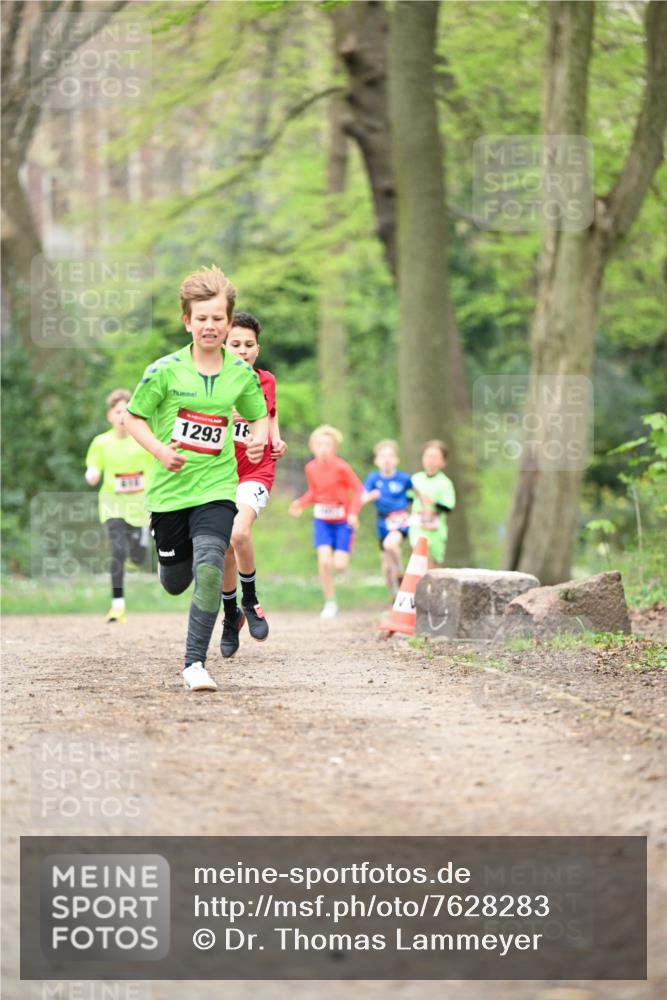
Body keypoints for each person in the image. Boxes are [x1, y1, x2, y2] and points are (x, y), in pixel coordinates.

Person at [124, 266, 268, 692]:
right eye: (201, 318)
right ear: (187, 321)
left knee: (210, 566)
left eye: (218, 318)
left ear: (229, 321)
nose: (210, 326)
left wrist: (258, 441)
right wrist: (160, 451)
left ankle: (194, 664)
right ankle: (169, 559)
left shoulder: (240, 375)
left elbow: (259, 416)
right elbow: (133, 419)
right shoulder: (164, 371)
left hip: (217, 488)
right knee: (175, 582)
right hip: (170, 495)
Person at [219, 311, 288, 658]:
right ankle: (230, 616)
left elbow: (270, 415)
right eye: (235, 344)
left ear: (256, 349)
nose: (242, 350)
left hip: (255, 471)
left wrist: (276, 439)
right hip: (218, 475)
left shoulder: (266, 381)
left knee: (239, 534)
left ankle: (251, 600)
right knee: (225, 549)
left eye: (248, 345)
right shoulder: (212, 382)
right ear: (223, 345)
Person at [84, 388, 152, 623]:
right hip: (112, 504)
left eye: (126, 411)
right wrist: (92, 474)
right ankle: (117, 605)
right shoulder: (101, 442)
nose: (122, 416)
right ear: (110, 416)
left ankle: (143, 536)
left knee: (139, 557)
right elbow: (93, 465)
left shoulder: (143, 438)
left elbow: (158, 464)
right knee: (117, 551)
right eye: (117, 411)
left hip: (140, 506)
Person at [288, 425, 363, 619]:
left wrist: (353, 513)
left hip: (342, 521)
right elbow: (314, 492)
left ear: (335, 448)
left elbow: (359, 491)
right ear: (312, 447)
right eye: (319, 444)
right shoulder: (310, 468)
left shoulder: (342, 467)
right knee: (324, 561)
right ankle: (330, 601)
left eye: (328, 444)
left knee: (340, 565)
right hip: (322, 520)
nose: (323, 448)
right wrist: (300, 504)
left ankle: (344, 554)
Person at [361, 439, 413, 597]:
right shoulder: (373, 479)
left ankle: (400, 571)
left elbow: (416, 496)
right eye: (383, 456)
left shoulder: (404, 479)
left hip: (400, 520)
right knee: (385, 566)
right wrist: (371, 496)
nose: (387, 460)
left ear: (397, 459)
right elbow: (362, 498)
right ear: (377, 460)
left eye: (390, 456)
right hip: (382, 522)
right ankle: (393, 596)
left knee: (390, 544)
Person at [409, 439, 456, 569]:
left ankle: (434, 588)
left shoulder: (445, 483)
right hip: (418, 529)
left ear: (443, 462)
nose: (430, 460)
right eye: (428, 456)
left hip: (436, 532)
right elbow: (406, 499)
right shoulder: (415, 479)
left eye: (435, 457)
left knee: (434, 568)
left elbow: (448, 507)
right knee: (421, 557)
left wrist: (433, 502)